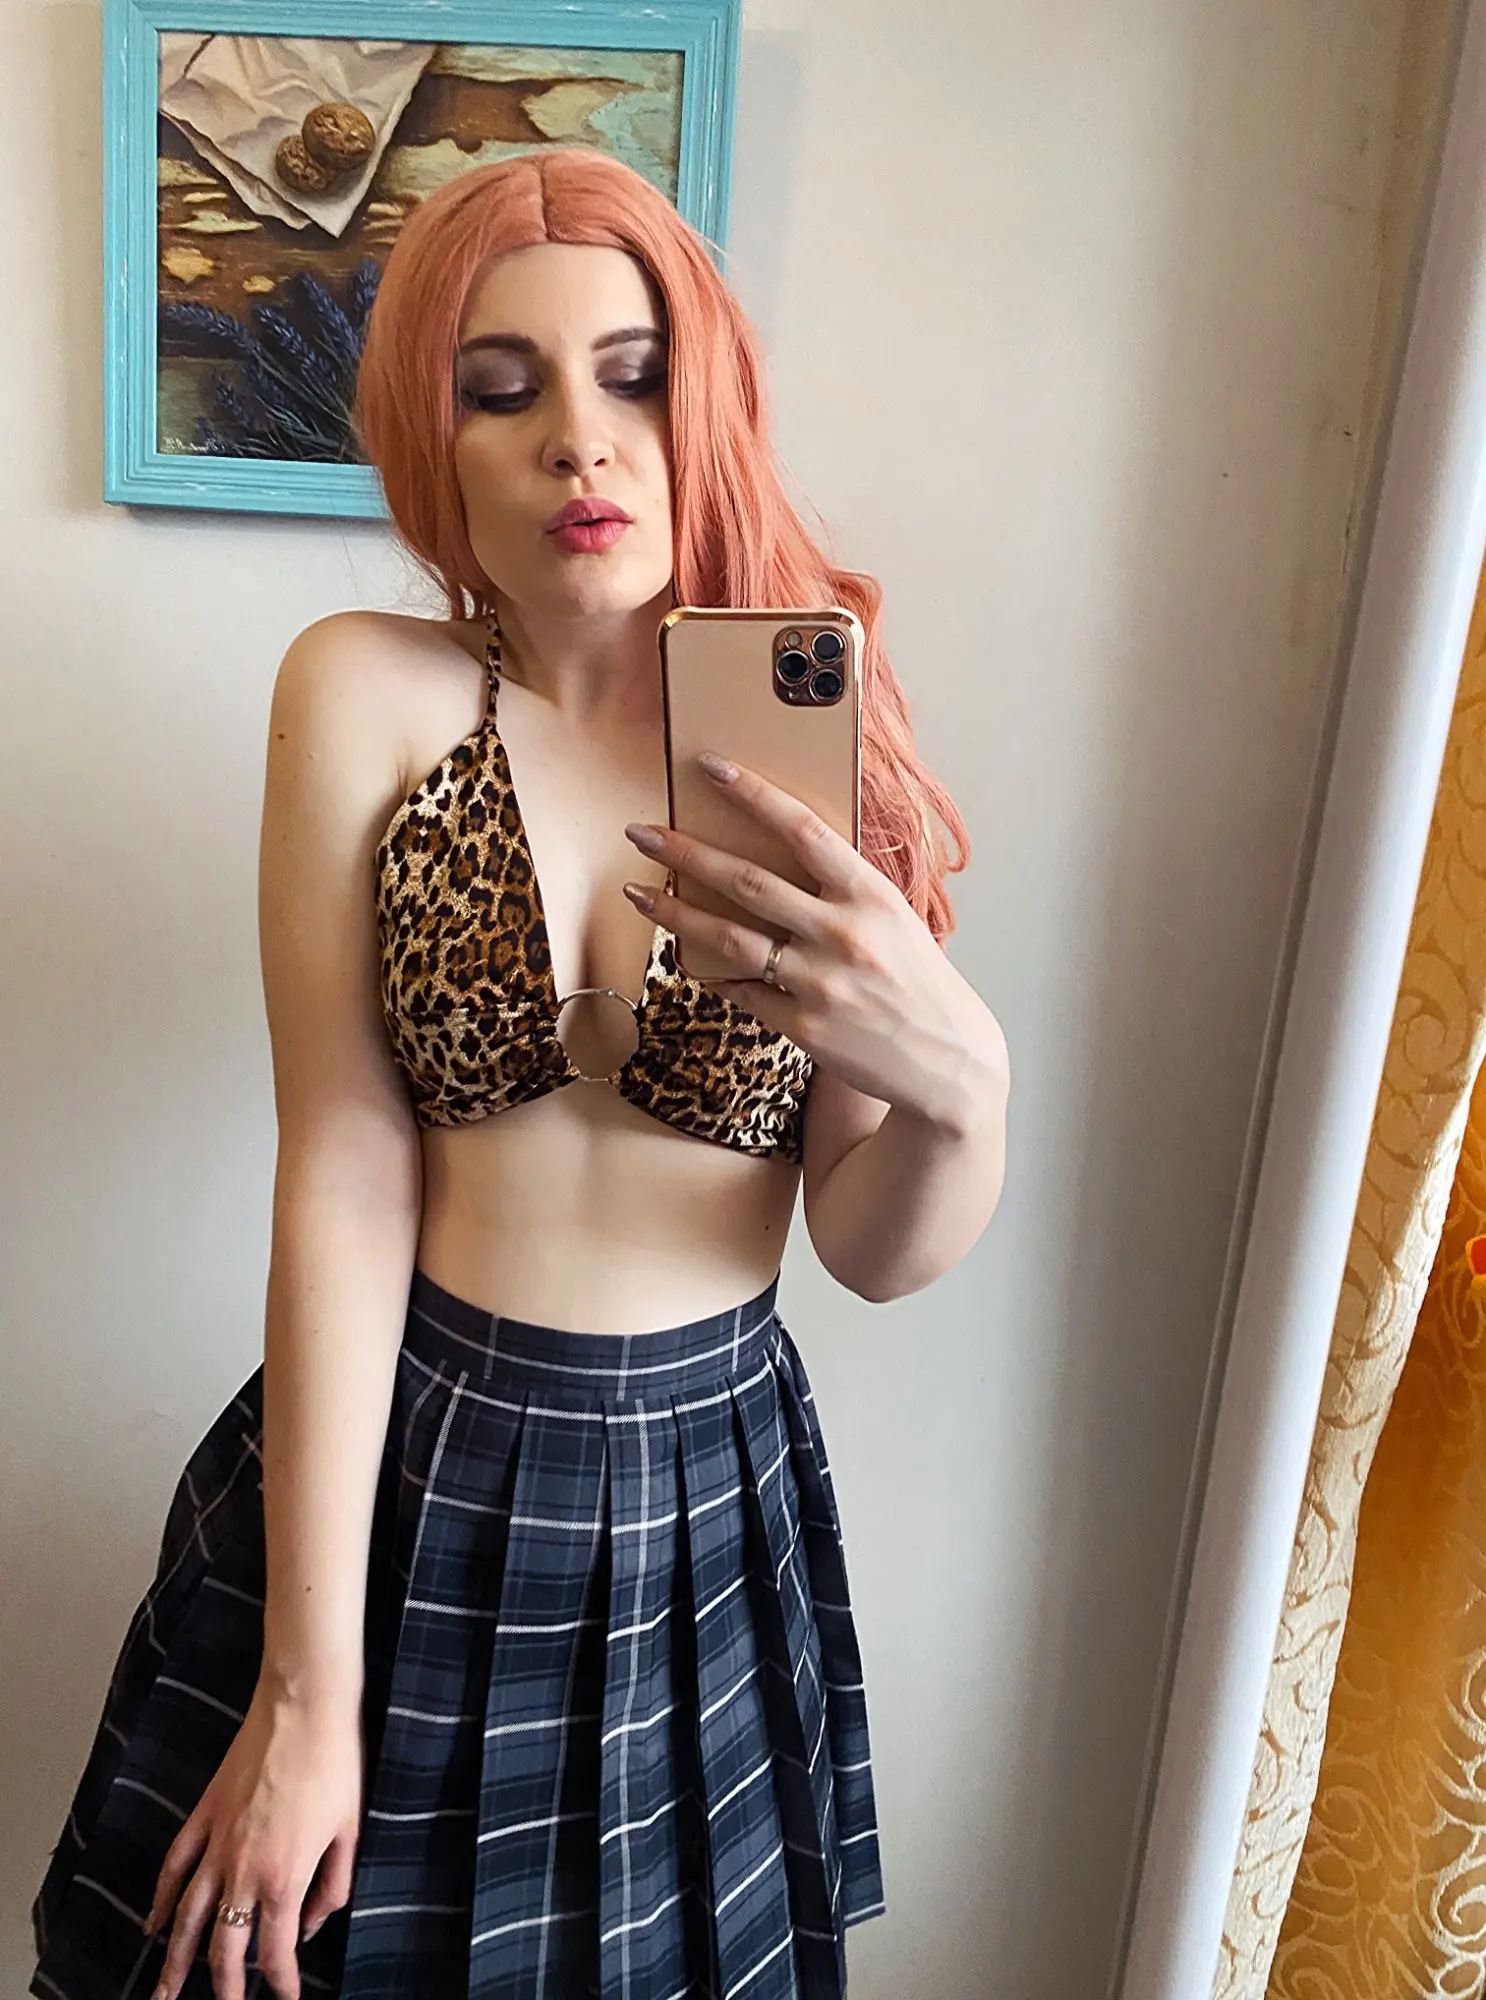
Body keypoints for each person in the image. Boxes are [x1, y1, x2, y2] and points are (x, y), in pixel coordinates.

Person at [29, 146, 1010, 2000]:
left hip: (702, 1493)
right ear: (435, 439)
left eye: (633, 375)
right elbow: (343, 1166)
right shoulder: (361, 690)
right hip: (401, 1461)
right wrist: (307, 1694)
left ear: (704, 404)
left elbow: (870, 1247)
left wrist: (966, 1085)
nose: (578, 439)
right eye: (503, 388)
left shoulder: (804, 734)